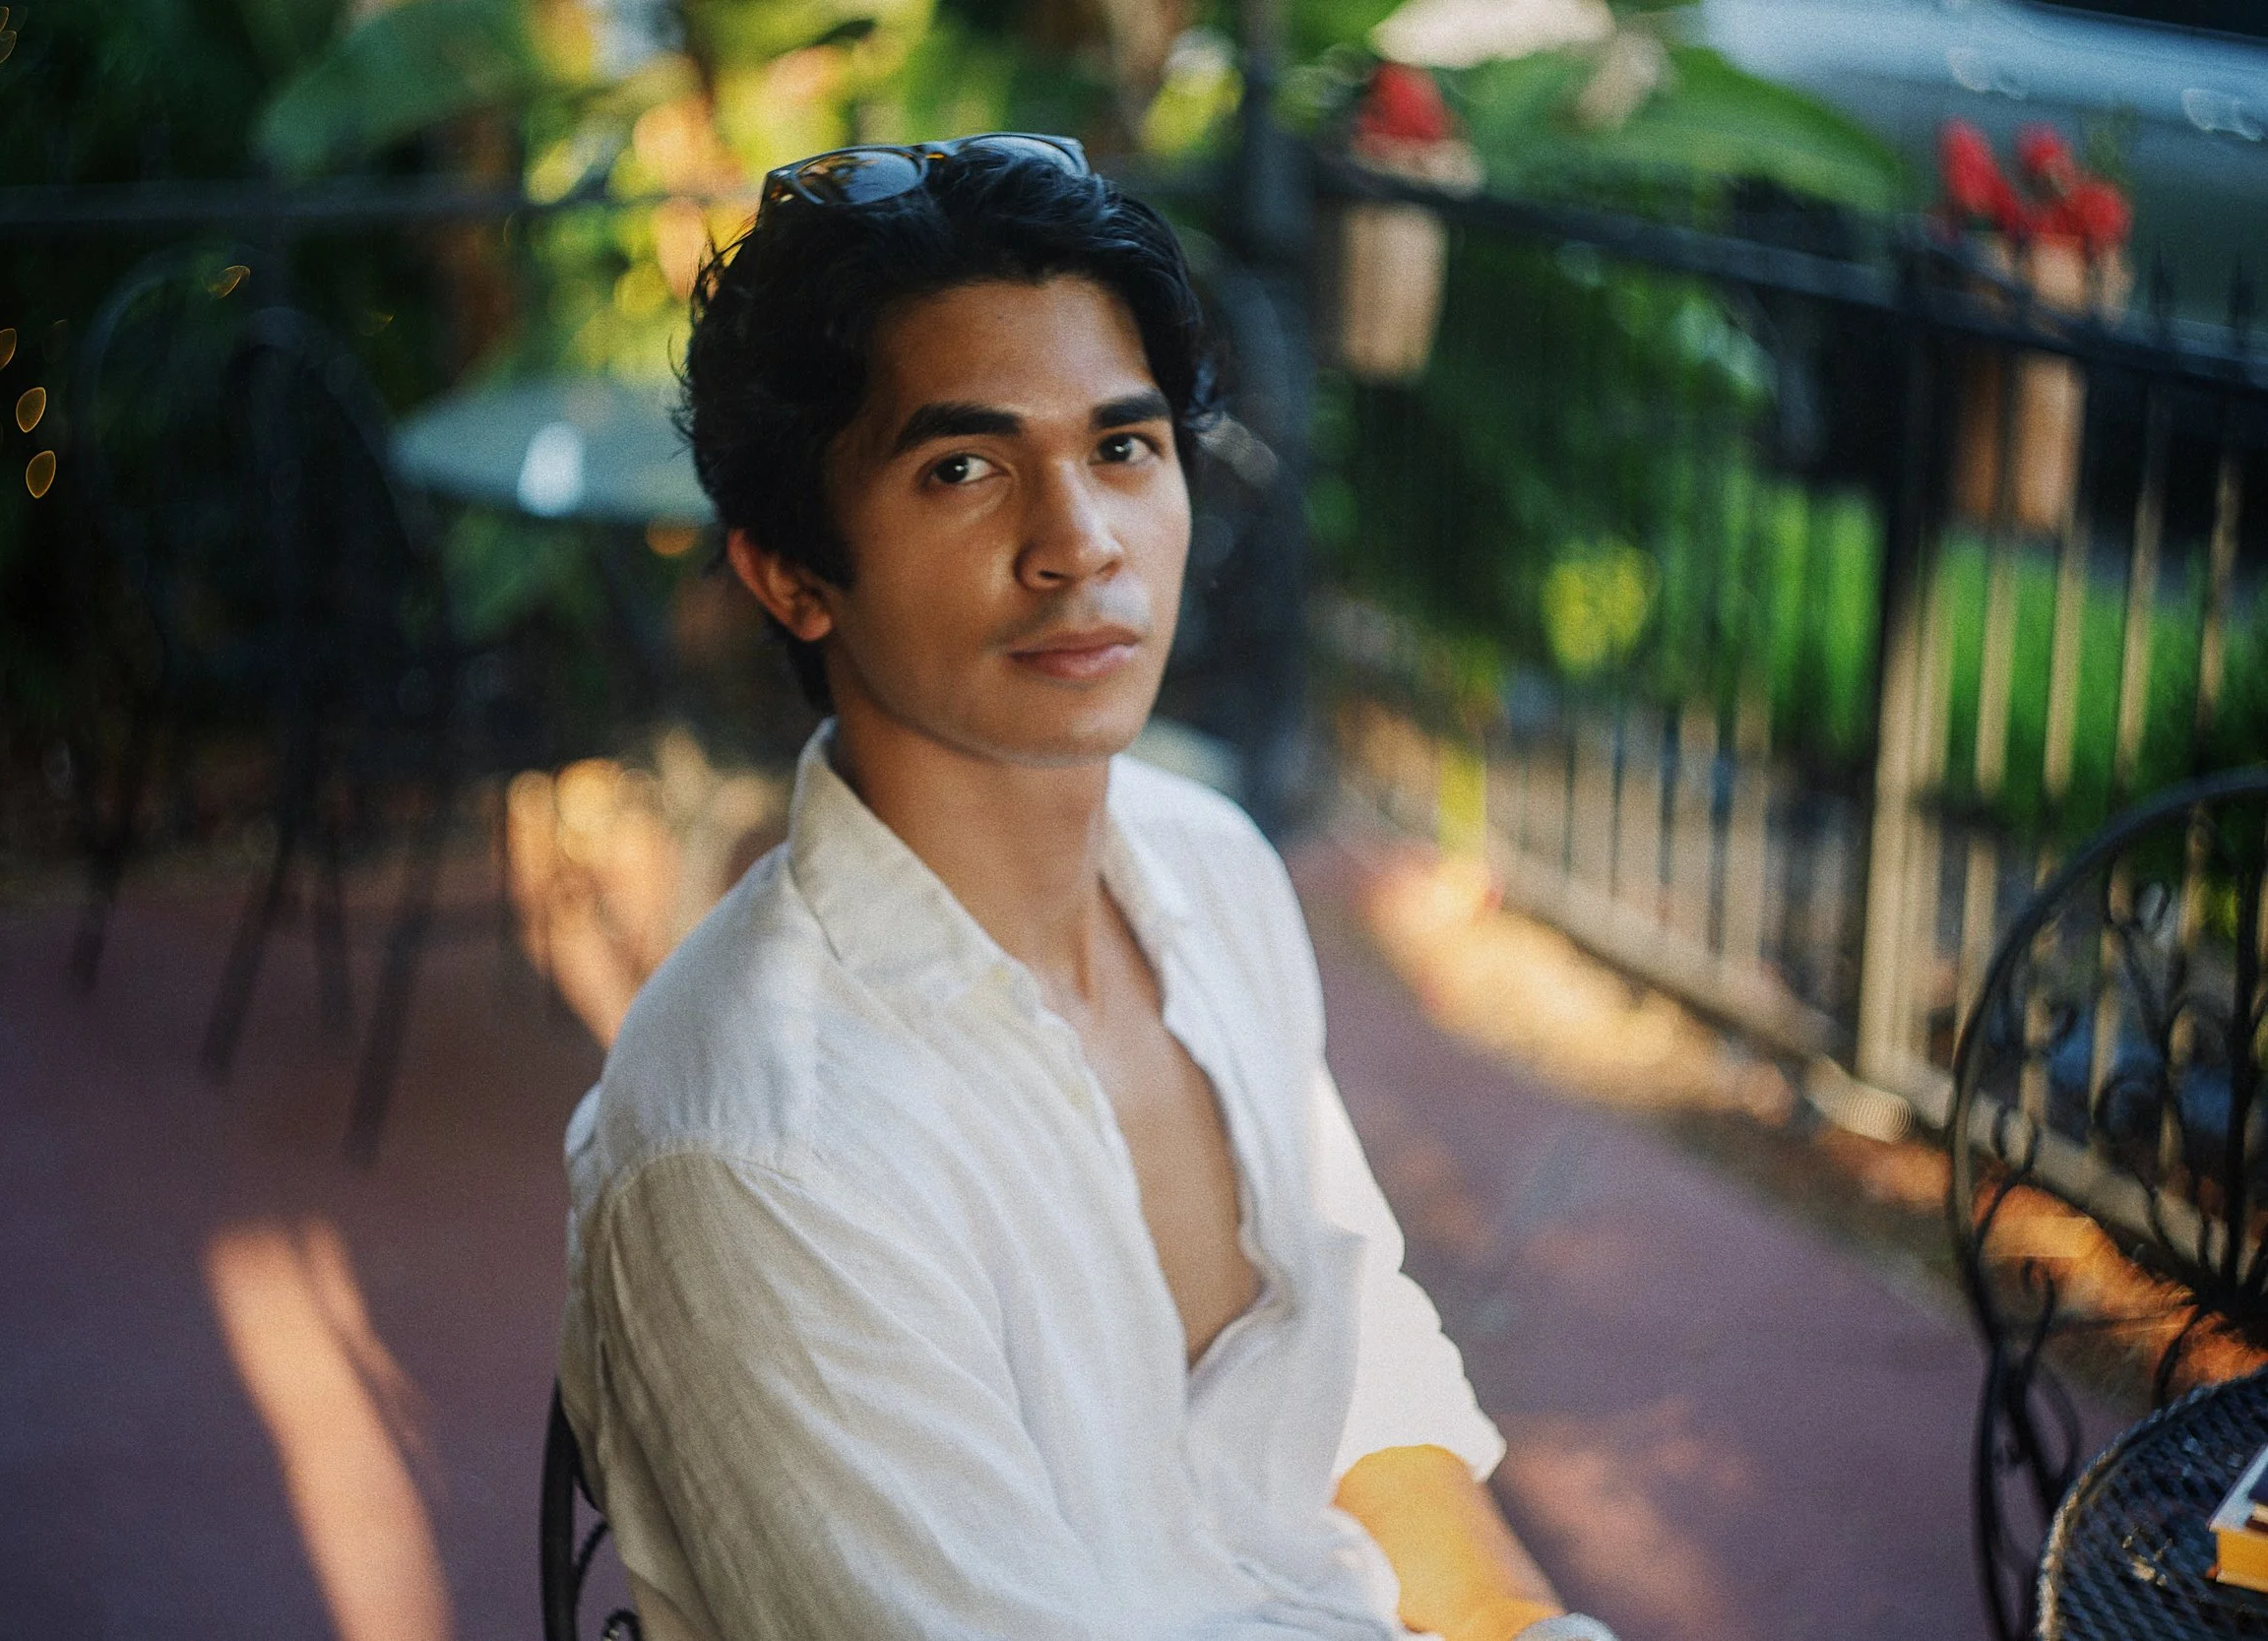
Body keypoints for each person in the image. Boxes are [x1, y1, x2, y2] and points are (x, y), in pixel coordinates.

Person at [557, 133, 1609, 1641]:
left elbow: (1362, 1364)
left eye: (1123, 448)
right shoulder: (756, 1146)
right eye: (966, 468)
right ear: (791, 573)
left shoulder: (1214, 873)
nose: (1079, 543)